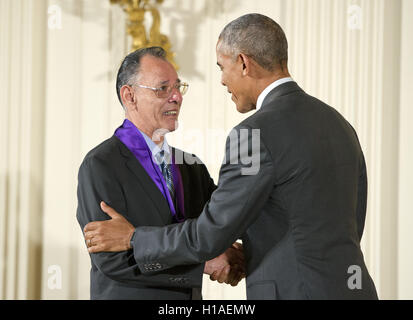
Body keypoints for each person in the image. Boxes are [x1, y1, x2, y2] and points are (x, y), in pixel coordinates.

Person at [84, 14, 378, 299]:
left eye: (221, 67)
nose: (223, 80)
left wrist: (133, 238)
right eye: (163, 88)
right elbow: (352, 219)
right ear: (129, 95)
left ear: (243, 63)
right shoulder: (339, 125)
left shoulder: (252, 134)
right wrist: (220, 257)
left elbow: (212, 231)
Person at [77, 47, 245, 300]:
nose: (176, 96)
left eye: (178, 87)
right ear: (129, 96)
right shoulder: (100, 164)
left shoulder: (191, 166)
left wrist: (235, 254)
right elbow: (113, 261)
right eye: (163, 88)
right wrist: (205, 264)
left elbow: (217, 227)